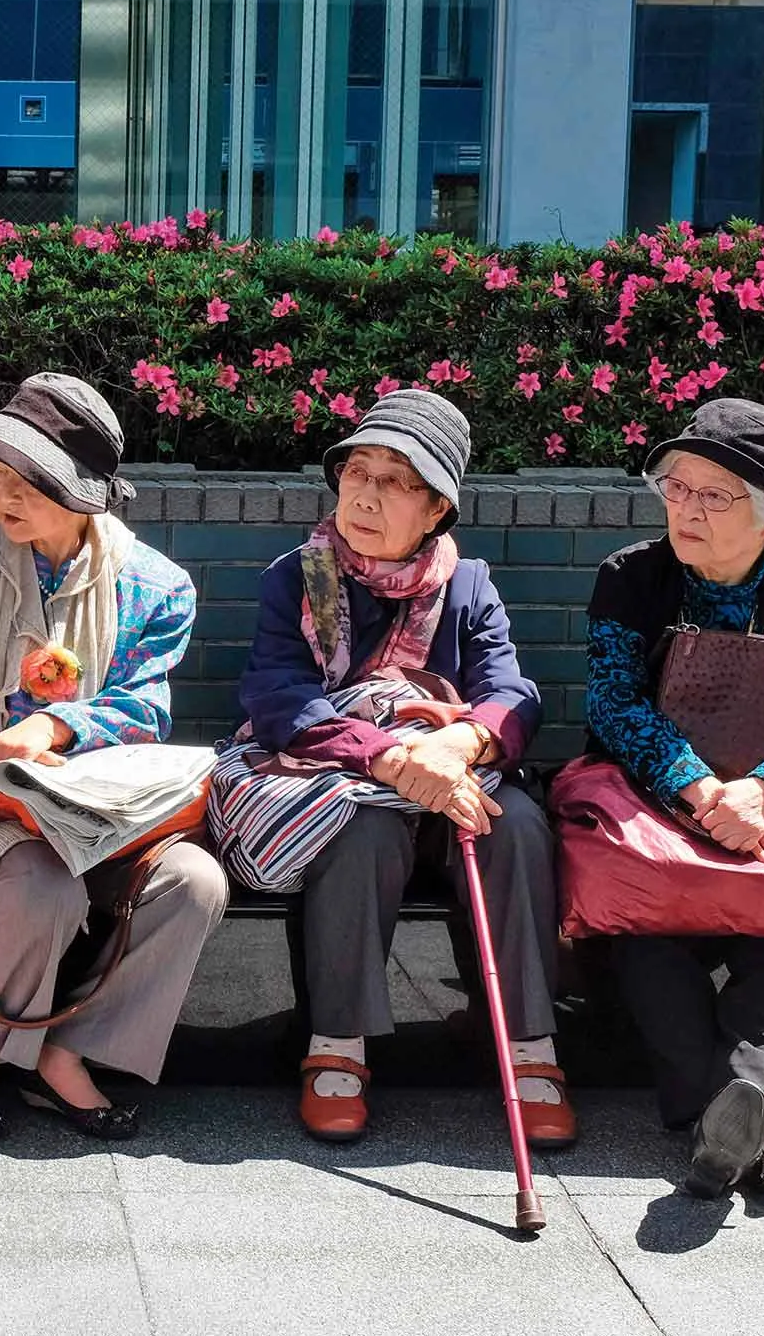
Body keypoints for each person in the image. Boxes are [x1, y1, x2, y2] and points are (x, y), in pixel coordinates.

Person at [227, 390, 569, 1148]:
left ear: (437, 508)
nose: (366, 494)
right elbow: (277, 695)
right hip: (345, 782)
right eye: (358, 471)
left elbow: (511, 692)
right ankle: (336, 1045)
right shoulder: (299, 576)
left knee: (517, 826)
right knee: (361, 831)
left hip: (451, 782)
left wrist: (458, 746)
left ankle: (530, 1049)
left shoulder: (468, 586)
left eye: (394, 479)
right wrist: (383, 754)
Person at [0, 373, 226, 1146]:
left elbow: (144, 708)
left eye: (31, 482)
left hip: (100, 808)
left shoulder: (156, 586)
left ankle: (70, 1046)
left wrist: (56, 733)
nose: (5, 495)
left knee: (194, 882)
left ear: (86, 495)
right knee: (39, 877)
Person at [583, 398, 764, 1197]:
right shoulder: (631, 576)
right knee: (647, 936)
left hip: (763, 815)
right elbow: (612, 702)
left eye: (714, 494)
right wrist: (700, 787)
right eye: (677, 486)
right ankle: (754, 1123)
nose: (686, 507)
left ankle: (731, 1120)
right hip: (652, 810)